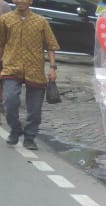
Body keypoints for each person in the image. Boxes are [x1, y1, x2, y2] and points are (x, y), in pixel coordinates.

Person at [0, 0, 59, 150]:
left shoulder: (41, 22)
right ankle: (15, 129)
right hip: (11, 67)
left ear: (30, 1)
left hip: (35, 69)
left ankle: (29, 137)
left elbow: (51, 46)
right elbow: (1, 43)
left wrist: (53, 68)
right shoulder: (5, 19)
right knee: (10, 100)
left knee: (35, 109)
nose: (20, 1)